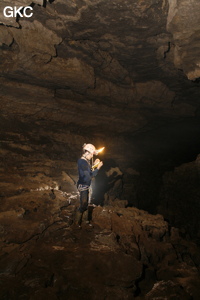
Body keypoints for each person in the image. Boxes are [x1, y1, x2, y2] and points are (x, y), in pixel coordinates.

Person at [75, 143, 103, 226]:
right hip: (83, 186)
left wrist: (94, 165)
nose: (92, 156)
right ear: (87, 152)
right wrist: (98, 168)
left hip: (86, 185)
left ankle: (85, 221)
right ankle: (77, 222)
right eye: (91, 154)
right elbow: (90, 176)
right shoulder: (82, 162)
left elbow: (88, 171)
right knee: (84, 204)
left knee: (87, 203)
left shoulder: (85, 161)